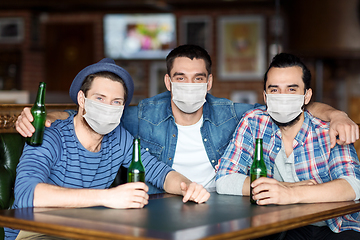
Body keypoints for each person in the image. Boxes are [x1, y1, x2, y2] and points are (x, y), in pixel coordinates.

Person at [15, 45, 359, 194]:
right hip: (157, 205)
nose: (190, 86)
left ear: (209, 82)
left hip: (220, 201)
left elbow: (285, 105)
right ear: (168, 82)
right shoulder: (138, 116)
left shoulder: (232, 112)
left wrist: (336, 113)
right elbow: (92, 115)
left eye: (198, 79)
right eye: (180, 78)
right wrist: (52, 116)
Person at [5, 58, 210, 240]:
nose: (107, 107)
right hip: (36, 232)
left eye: (116, 102)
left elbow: (159, 172)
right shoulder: (50, 134)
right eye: (100, 99)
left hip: (87, 229)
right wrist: (108, 197)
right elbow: (27, 195)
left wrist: (188, 186)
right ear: (82, 100)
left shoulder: (118, 138)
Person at [216, 53, 360, 239]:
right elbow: (225, 179)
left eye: (291, 90)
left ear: (306, 95)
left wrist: (291, 194)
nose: (282, 97)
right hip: (284, 224)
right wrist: (282, 188)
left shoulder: (328, 130)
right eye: (274, 90)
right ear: (265, 96)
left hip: (334, 226)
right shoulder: (254, 123)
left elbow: (353, 185)